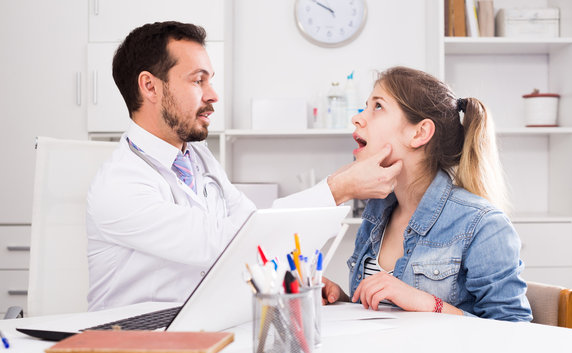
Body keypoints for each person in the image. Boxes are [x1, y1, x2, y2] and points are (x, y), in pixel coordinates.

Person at [86, 21, 402, 311]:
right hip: (137, 342)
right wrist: (340, 187)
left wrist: (284, 281)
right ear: (150, 86)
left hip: (204, 328)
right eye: (198, 80)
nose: (213, 95)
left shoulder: (198, 158)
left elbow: (251, 223)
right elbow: (232, 243)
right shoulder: (120, 185)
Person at [322, 66, 532, 321]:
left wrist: (426, 303)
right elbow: (383, 314)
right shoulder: (375, 214)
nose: (357, 118)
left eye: (377, 107)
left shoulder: (483, 224)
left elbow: (515, 330)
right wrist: (340, 299)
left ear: (419, 133)